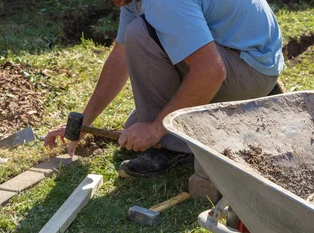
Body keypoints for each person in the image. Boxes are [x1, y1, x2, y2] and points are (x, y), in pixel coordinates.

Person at [44, 0, 284, 177]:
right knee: (132, 127)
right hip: (252, 62)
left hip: (249, 70)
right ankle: (245, 106)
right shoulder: (134, 2)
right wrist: (84, 123)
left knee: (141, 34)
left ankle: (173, 146)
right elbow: (120, 58)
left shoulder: (163, 2)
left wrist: (156, 129)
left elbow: (211, 71)